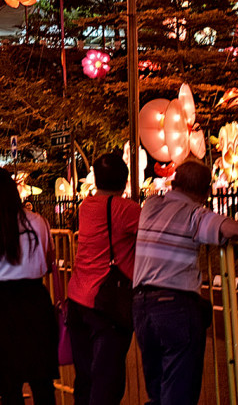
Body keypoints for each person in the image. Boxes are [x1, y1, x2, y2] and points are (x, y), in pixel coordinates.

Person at [132, 158, 238, 405]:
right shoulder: (195, 214)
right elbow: (234, 229)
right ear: (206, 192)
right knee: (179, 391)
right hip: (175, 306)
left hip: (142, 306)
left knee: (158, 389)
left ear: (173, 183)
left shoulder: (150, 206)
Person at [0, 168, 58, 405]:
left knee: (9, 382)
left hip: (1, 304)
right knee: (41, 379)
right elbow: (49, 262)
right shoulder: (38, 221)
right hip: (35, 300)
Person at [63, 153, 141, 405]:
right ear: (126, 179)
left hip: (77, 297)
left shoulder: (87, 205)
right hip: (106, 302)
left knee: (85, 376)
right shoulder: (125, 209)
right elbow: (156, 230)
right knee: (107, 379)